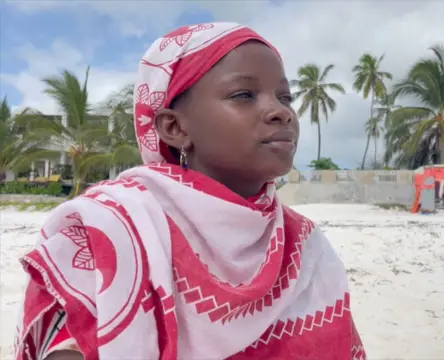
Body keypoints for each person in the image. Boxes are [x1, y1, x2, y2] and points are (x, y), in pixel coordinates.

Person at [14, 22, 366, 360]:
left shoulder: (305, 245)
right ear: (175, 127)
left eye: (285, 97)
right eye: (244, 94)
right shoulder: (107, 233)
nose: (280, 112)